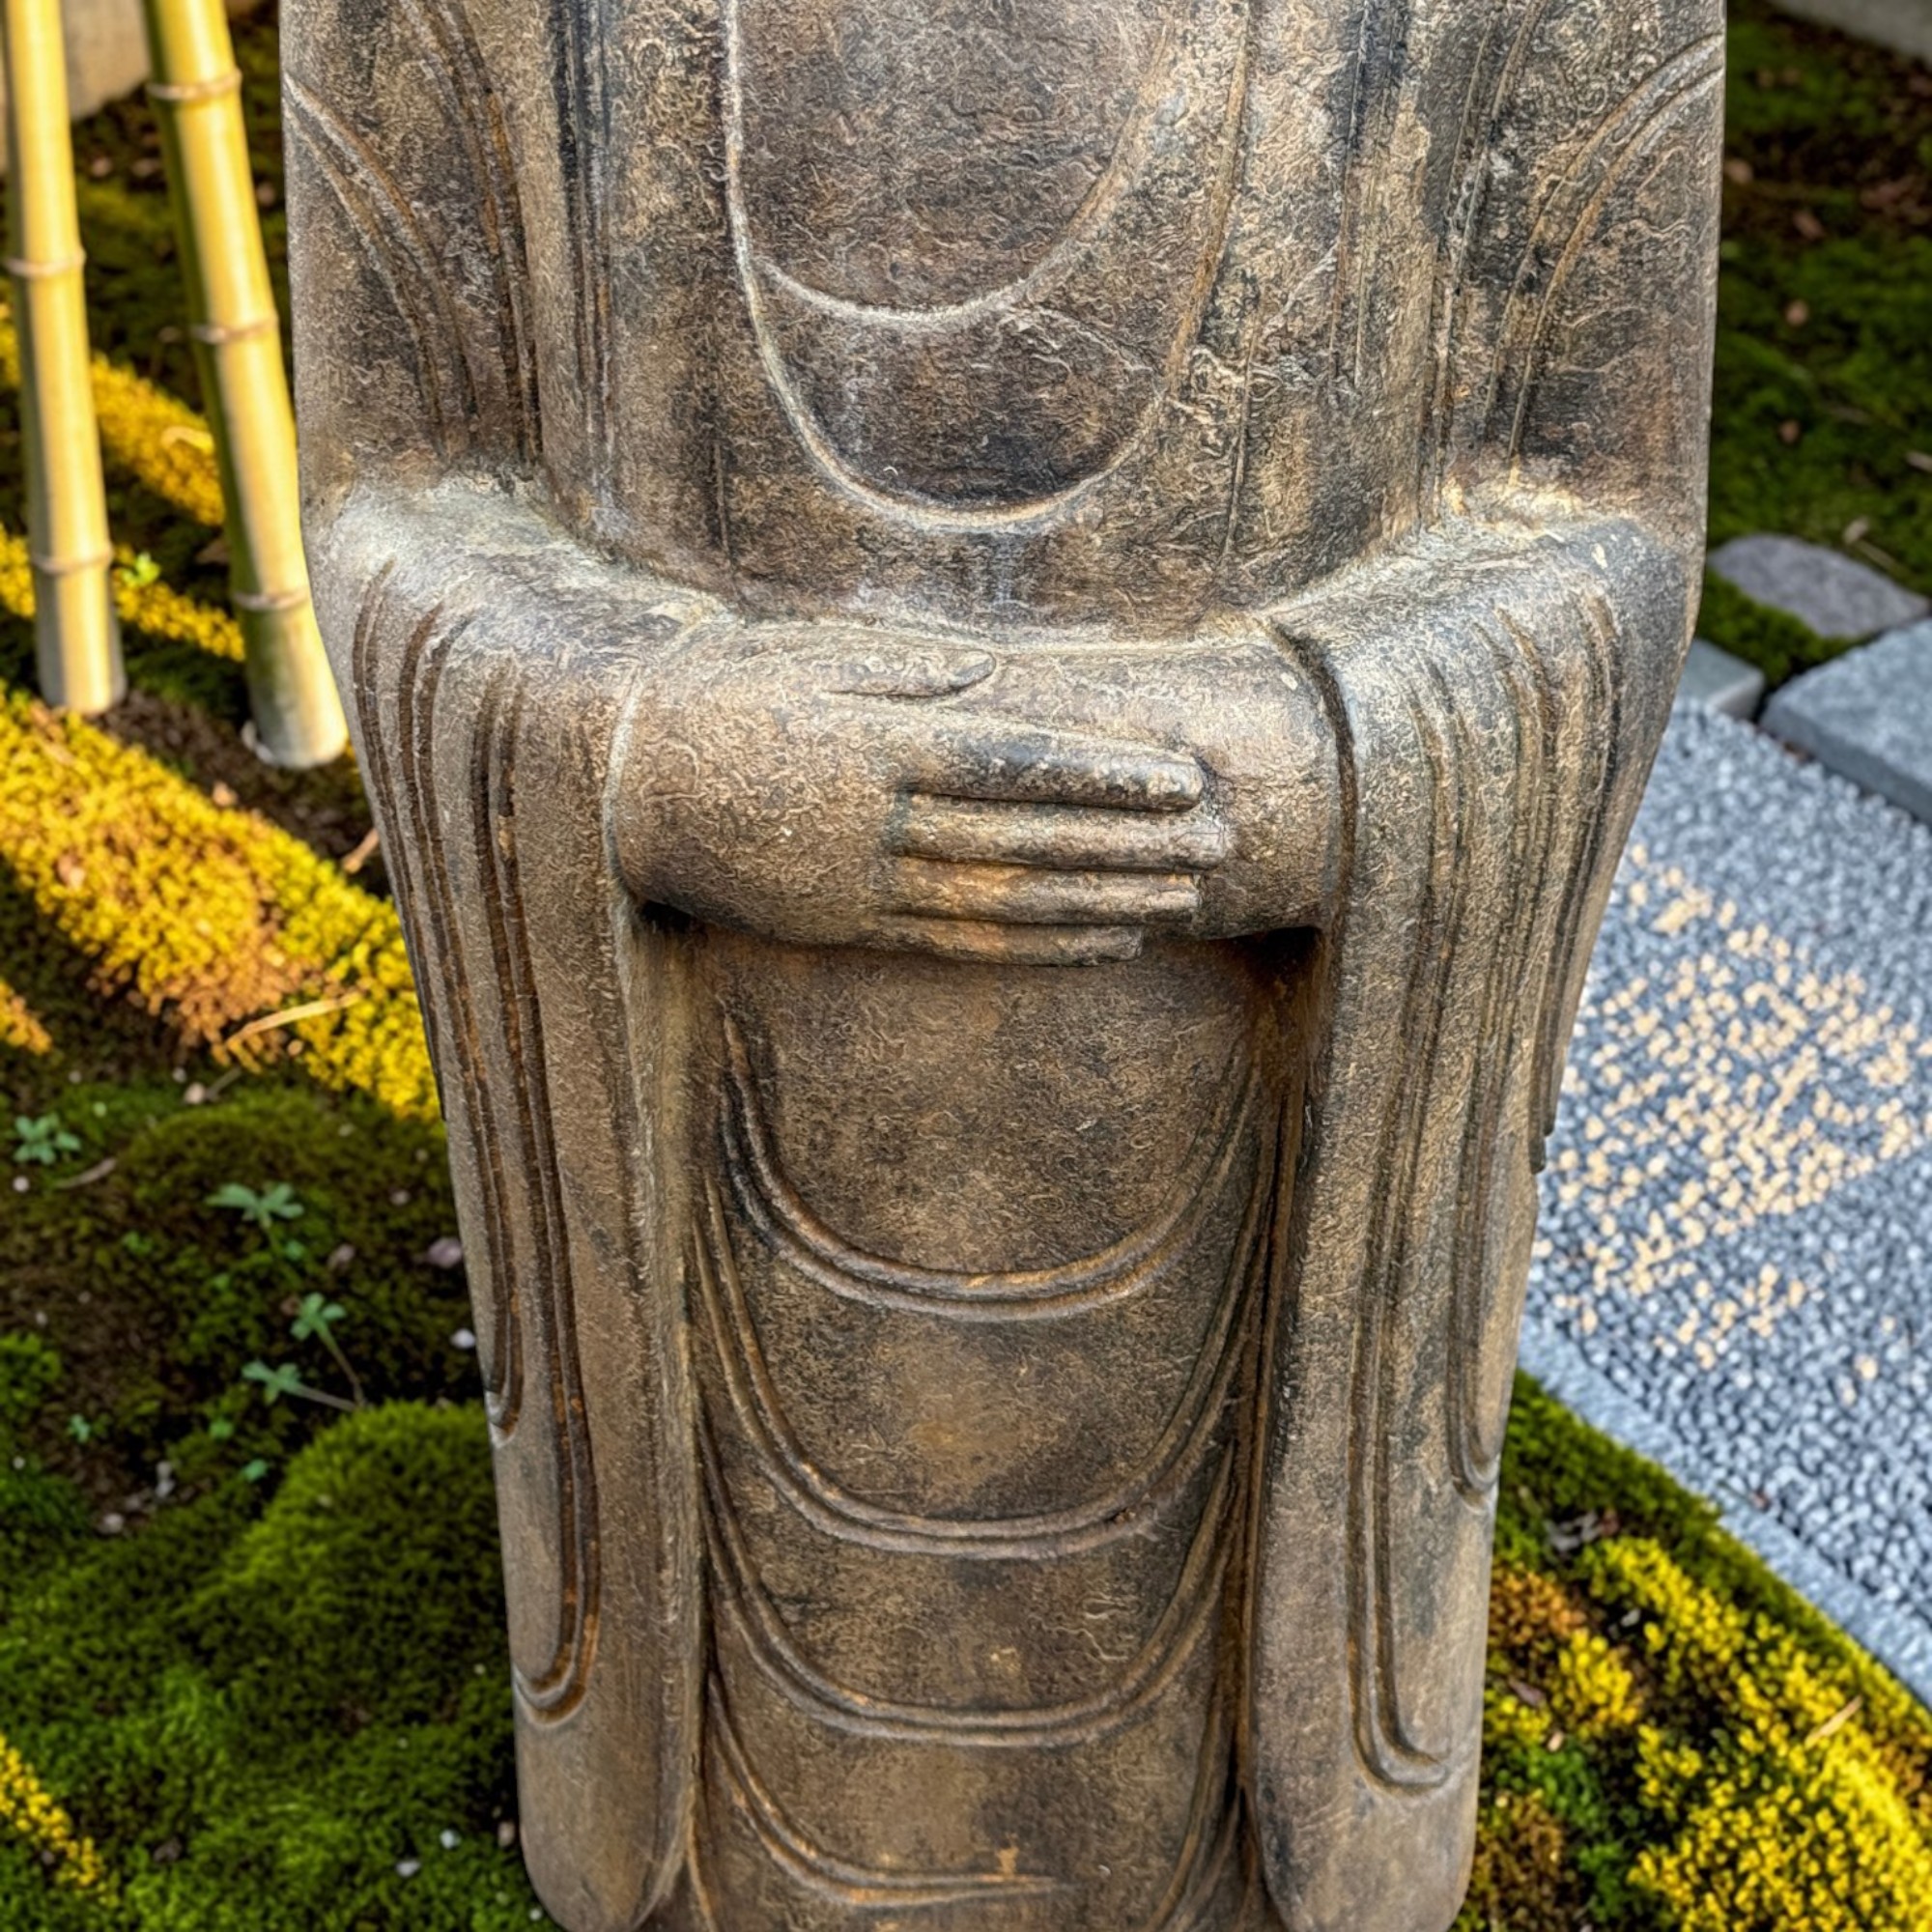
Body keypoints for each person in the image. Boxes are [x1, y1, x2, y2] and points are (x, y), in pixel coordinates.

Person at [282, 1, 1723, 1925]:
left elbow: (1605, 514)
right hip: (714, 1139)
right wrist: (665, 755)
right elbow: (396, 493)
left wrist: (1325, 769)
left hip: (1244, 1138)